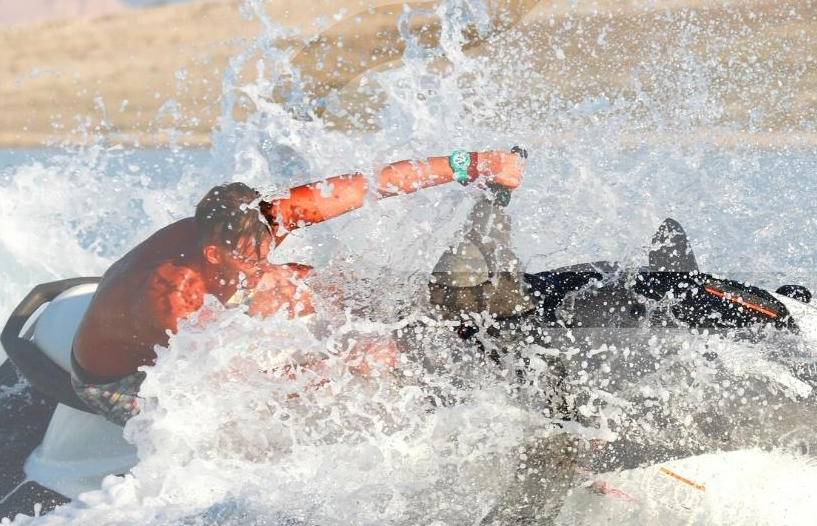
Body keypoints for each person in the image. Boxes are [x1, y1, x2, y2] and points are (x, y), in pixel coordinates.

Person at [70, 149, 525, 425]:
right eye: (251, 261)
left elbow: (371, 185)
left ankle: (447, 324)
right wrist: (338, 363)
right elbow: (223, 391)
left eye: (266, 250)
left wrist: (472, 164)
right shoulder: (172, 297)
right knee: (325, 375)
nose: (263, 266)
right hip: (123, 384)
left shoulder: (256, 219)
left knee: (328, 285)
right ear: (213, 255)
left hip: (197, 316)